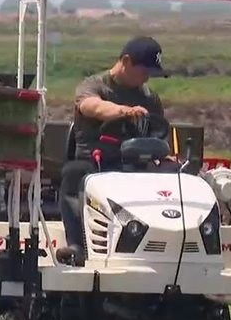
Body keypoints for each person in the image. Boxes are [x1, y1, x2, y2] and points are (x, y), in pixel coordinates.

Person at [56, 36, 177, 265]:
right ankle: (77, 245)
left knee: (175, 175)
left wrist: (164, 154)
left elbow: (158, 131)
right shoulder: (94, 86)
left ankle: (169, 244)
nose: (147, 77)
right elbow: (91, 106)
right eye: (144, 71)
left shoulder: (150, 99)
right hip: (96, 161)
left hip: (136, 163)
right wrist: (122, 111)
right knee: (73, 174)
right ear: (126, 61)